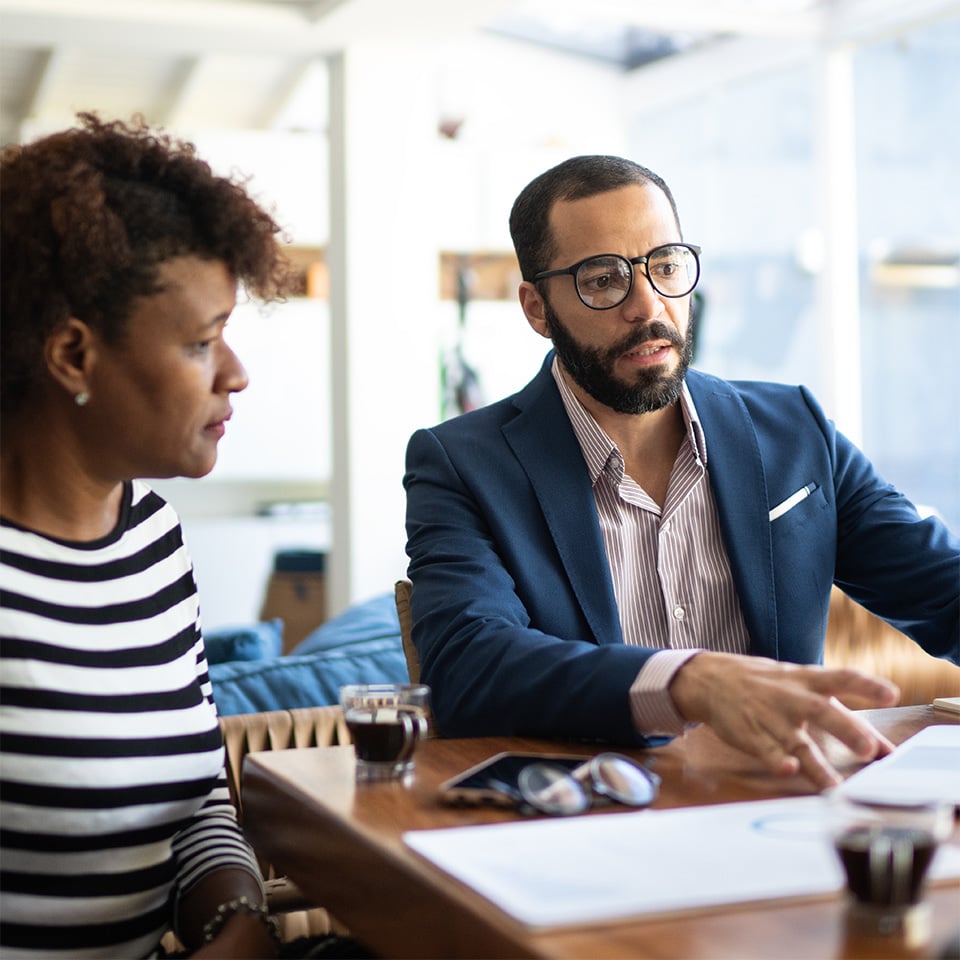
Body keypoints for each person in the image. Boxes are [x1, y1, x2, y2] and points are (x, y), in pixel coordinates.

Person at [403, 154, 960, 791]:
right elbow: (468, 667)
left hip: (786, 803)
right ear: (537, 308)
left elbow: (945, 591)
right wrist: (685, 681)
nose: (648, 305)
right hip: (590, 822)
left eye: (665, 265)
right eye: (603, 279)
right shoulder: (462, 464)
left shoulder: (793, 430)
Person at [0, 114, 293, 959]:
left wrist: (236, 923)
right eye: (203, 342)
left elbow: (197, 798)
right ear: (71, 355)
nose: (236, 372)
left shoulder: (152, 543)